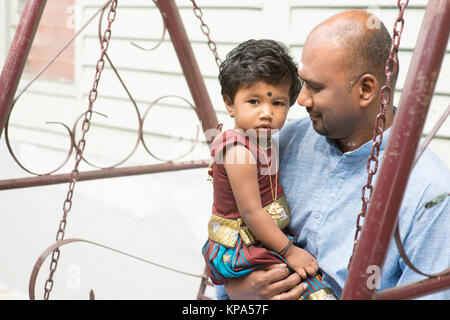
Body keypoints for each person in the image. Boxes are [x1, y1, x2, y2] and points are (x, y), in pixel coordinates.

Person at [218, 10, 450, 300]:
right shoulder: (285, 143)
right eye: (302, 83)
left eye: (315, 87)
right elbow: (237, 232)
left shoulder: (430, 196)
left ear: (366, 90)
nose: (300, 99)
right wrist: (239, 290)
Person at [202, 39, 337, 300]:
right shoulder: (239, 151)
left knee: (303, 282)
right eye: (254, 101)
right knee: (299, 284)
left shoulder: (264, 140)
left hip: (261, 236)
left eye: (278, 103)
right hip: (240, 244)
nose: (267, 113)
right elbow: (251, 212)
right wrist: (289, 251)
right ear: (230, 105)